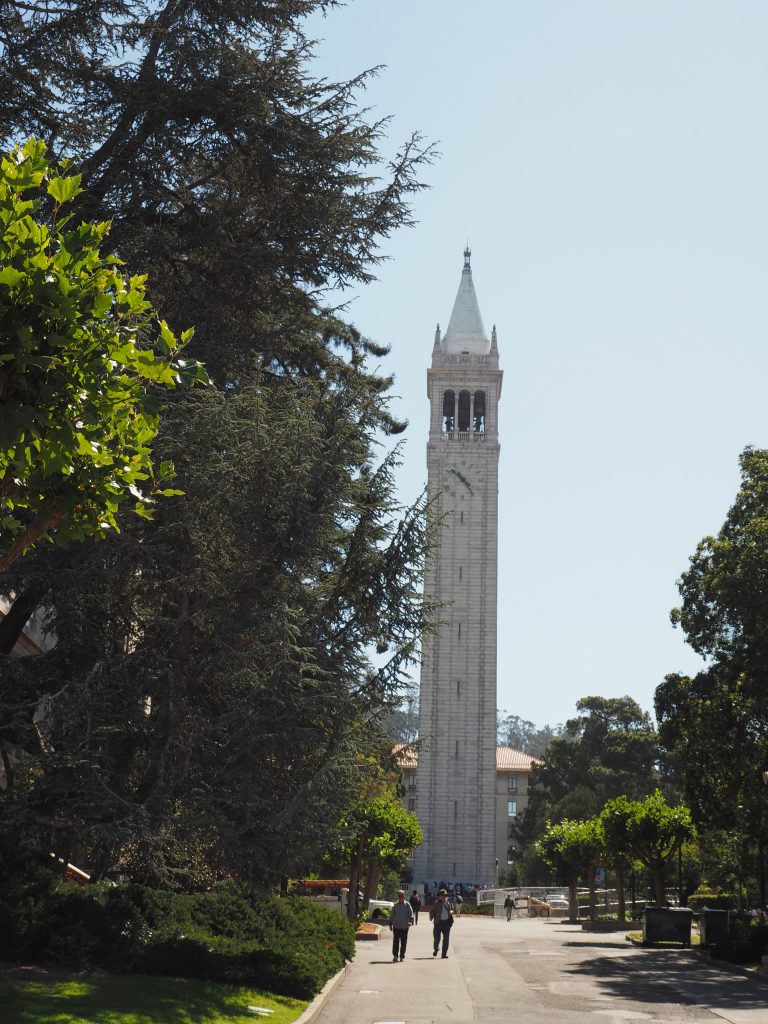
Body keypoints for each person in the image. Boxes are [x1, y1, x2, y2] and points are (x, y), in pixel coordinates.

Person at [389, 889, 414, 961]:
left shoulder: (407, 905)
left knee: (403, 943)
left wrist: (410, 922)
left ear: (404, 896)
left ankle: (402, 956)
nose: (400, 897)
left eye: (401, 896)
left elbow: (411, 914)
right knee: (396, 942)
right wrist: (390, 924)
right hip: (396, 926)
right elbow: (392, 915)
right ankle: (395, 956)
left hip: (404, 927)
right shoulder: (395, 905)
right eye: (399, 896)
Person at [429, 887, 453, 958]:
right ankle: (436, 949)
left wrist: (451, 911)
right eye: (442, 895)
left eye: (445, 895)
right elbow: (432, 911)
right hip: (438, 922)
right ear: (440, 896)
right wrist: (431, 918)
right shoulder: (437, 903)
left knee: (446, 939)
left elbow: (451, 908)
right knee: (437, 938)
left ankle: (444, 954)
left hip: (446, 923)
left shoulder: (448, 902)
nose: (443, 896)